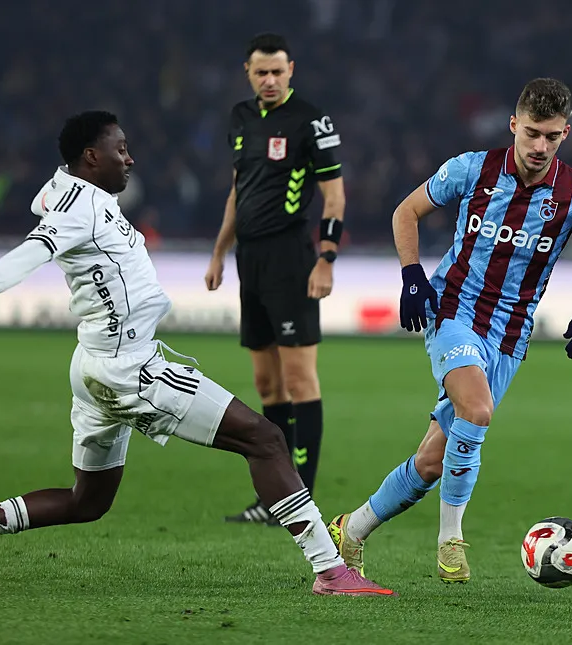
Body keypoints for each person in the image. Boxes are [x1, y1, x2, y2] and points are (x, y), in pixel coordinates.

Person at [0, 111, 392, 597]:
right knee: (266, 439)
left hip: (93, 365)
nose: (130, 158)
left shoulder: (76, 194)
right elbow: (32, 251)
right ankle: (331, 571)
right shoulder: (78, 209)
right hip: (131, 369)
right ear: (91, 157)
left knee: (87, 501)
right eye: (120, 149)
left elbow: (50, 208)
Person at [328, 78, 572, 583]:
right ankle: (451, 541)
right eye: (531, 133)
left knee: (432, 461)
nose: (539, 146)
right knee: (478, 409)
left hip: (510, 336)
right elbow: (406, 212)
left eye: (551, 137)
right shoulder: (472, 169)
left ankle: (350, 530)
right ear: (513, 125)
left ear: (565, 134)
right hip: (454, 311)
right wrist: (412, 275)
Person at [204, 33, 345, 524]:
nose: (269, 80)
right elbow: (237, 192)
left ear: (291, 71)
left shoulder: (311, 121)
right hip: (251, 261)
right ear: (247, 72)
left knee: (300, 378)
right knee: (267, 384)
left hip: (291, 259)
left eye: (277, 72)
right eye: (261, 72)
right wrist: (219, 252)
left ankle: (301, 496)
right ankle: (276, 495)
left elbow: (334, 196)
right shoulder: (240, 118)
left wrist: (326, 258)